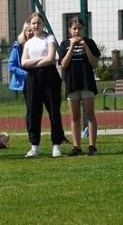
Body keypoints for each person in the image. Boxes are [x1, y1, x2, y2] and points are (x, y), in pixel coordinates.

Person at [21, 12, 66, 158]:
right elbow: (23, 63)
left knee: (54, 111)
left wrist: (34, 62)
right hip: (32, 78)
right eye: (33, 23)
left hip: (50, 77)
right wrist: (41, 59)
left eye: (38, 23)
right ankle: (34, 146)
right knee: (33, 111)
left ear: (43, 24)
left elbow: (51, 58)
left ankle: (56, 145)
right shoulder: (28, 43)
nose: (36, 25)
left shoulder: (49, 38)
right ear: (30, 25)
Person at [58, 17, 100, 157]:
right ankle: (76, 147)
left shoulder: (89, 43)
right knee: (74, 116)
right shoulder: (64, 44)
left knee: (90, 114)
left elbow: (94, 63)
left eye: (79, 28)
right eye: (74, 28)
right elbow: (63, 65)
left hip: (86, 82)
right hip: (72, 83)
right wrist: (71, 48)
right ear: (69, 30)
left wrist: (85, 47)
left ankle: (92, 146)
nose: (77, 31)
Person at [7, 22, 33, 141]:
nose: (31, 32)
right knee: (30, 108)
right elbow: (11, 66)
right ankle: (31, 136)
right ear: (24, 32)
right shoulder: (18, 47)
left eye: (33, 30)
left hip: (42, 80)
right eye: (28, 30)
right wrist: (26, 74)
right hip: (27, 81)